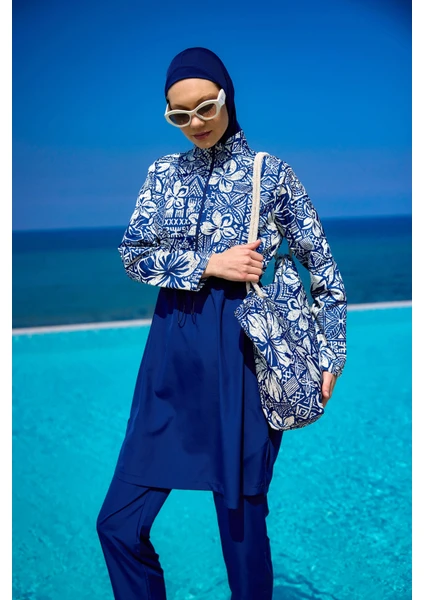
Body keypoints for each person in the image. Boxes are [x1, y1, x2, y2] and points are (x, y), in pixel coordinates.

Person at [96, 47, 347, 600]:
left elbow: (323, 268)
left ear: (226, 97)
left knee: (241, 532)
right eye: (179, 115)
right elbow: (133, 255)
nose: (196, 123)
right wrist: (209, 264)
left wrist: (332, 352)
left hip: (243, 362)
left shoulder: (271, 174)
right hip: (169, 363)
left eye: (205, 107)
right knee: (117, 524)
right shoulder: (162, 174)